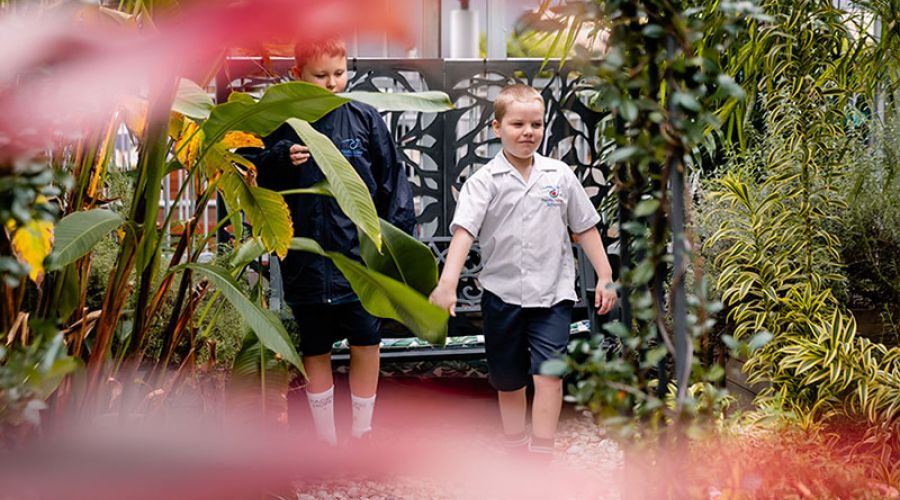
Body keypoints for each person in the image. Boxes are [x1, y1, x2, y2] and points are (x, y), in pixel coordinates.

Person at [428, 83, 616, 460]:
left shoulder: (559, 175)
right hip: (503, 296)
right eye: (517, 124)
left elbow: (585, 228)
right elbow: (464, 232)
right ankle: (515, 446)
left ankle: (541, 453)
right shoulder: (484, 182)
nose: (528, 132)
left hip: (553, 295)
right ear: (497, 128)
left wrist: (605, 277)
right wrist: (447, 284)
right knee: (509, 379)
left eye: (536, 124)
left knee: (549, 374)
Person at [248, 38, 416, 444]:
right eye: (320, 76)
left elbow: (393, 184)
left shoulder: (364, 118)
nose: (331, 83)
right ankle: (326, 439)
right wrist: (281, 157)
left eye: (338, 74)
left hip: (358, 261)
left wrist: (390, 244)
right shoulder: (283, 125)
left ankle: (363, 432)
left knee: (365, 340)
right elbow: (254, 174)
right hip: (305, 259)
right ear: (297, 74)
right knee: (315, 346)